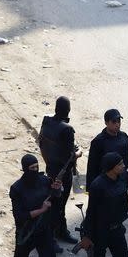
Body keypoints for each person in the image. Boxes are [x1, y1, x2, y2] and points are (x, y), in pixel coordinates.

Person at [79, 152, 128, 257]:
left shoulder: (123, 177)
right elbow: (91, 212)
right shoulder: (98, 185)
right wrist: (86, 236)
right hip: (99, 232)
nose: (123, 166)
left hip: (117, 230)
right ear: (111, 167)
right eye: (120, 164)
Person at [9, 154, 61, 257]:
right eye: (32, 168)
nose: (35, 170)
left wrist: (57, 190)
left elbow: (53, 199)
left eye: (37, 166)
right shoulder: (17, 188)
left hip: (44, 229)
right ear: (25, 169)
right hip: (26, 231)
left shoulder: (44, 180)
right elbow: (19, 216)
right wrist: (41, 210)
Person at [39, 96, 82, 247]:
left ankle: (61, 231)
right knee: (57, 205)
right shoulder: (67, 129)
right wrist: (79, 151)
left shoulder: (46, 121)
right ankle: (51, 238)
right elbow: (72, 155)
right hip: (62, 174)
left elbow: (41, 143)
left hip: (50, 168)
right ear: (68, 110)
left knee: (57, 204)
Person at [86, 109, 128, 193]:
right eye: (114, 122)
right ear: (106, 123)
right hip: (105, 185)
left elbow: (127, 160)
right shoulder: (98, 141)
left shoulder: (123, 136)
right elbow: (92, 167)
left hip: (122, 182)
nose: (117, 124)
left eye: (119, 121)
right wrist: (91, 190)